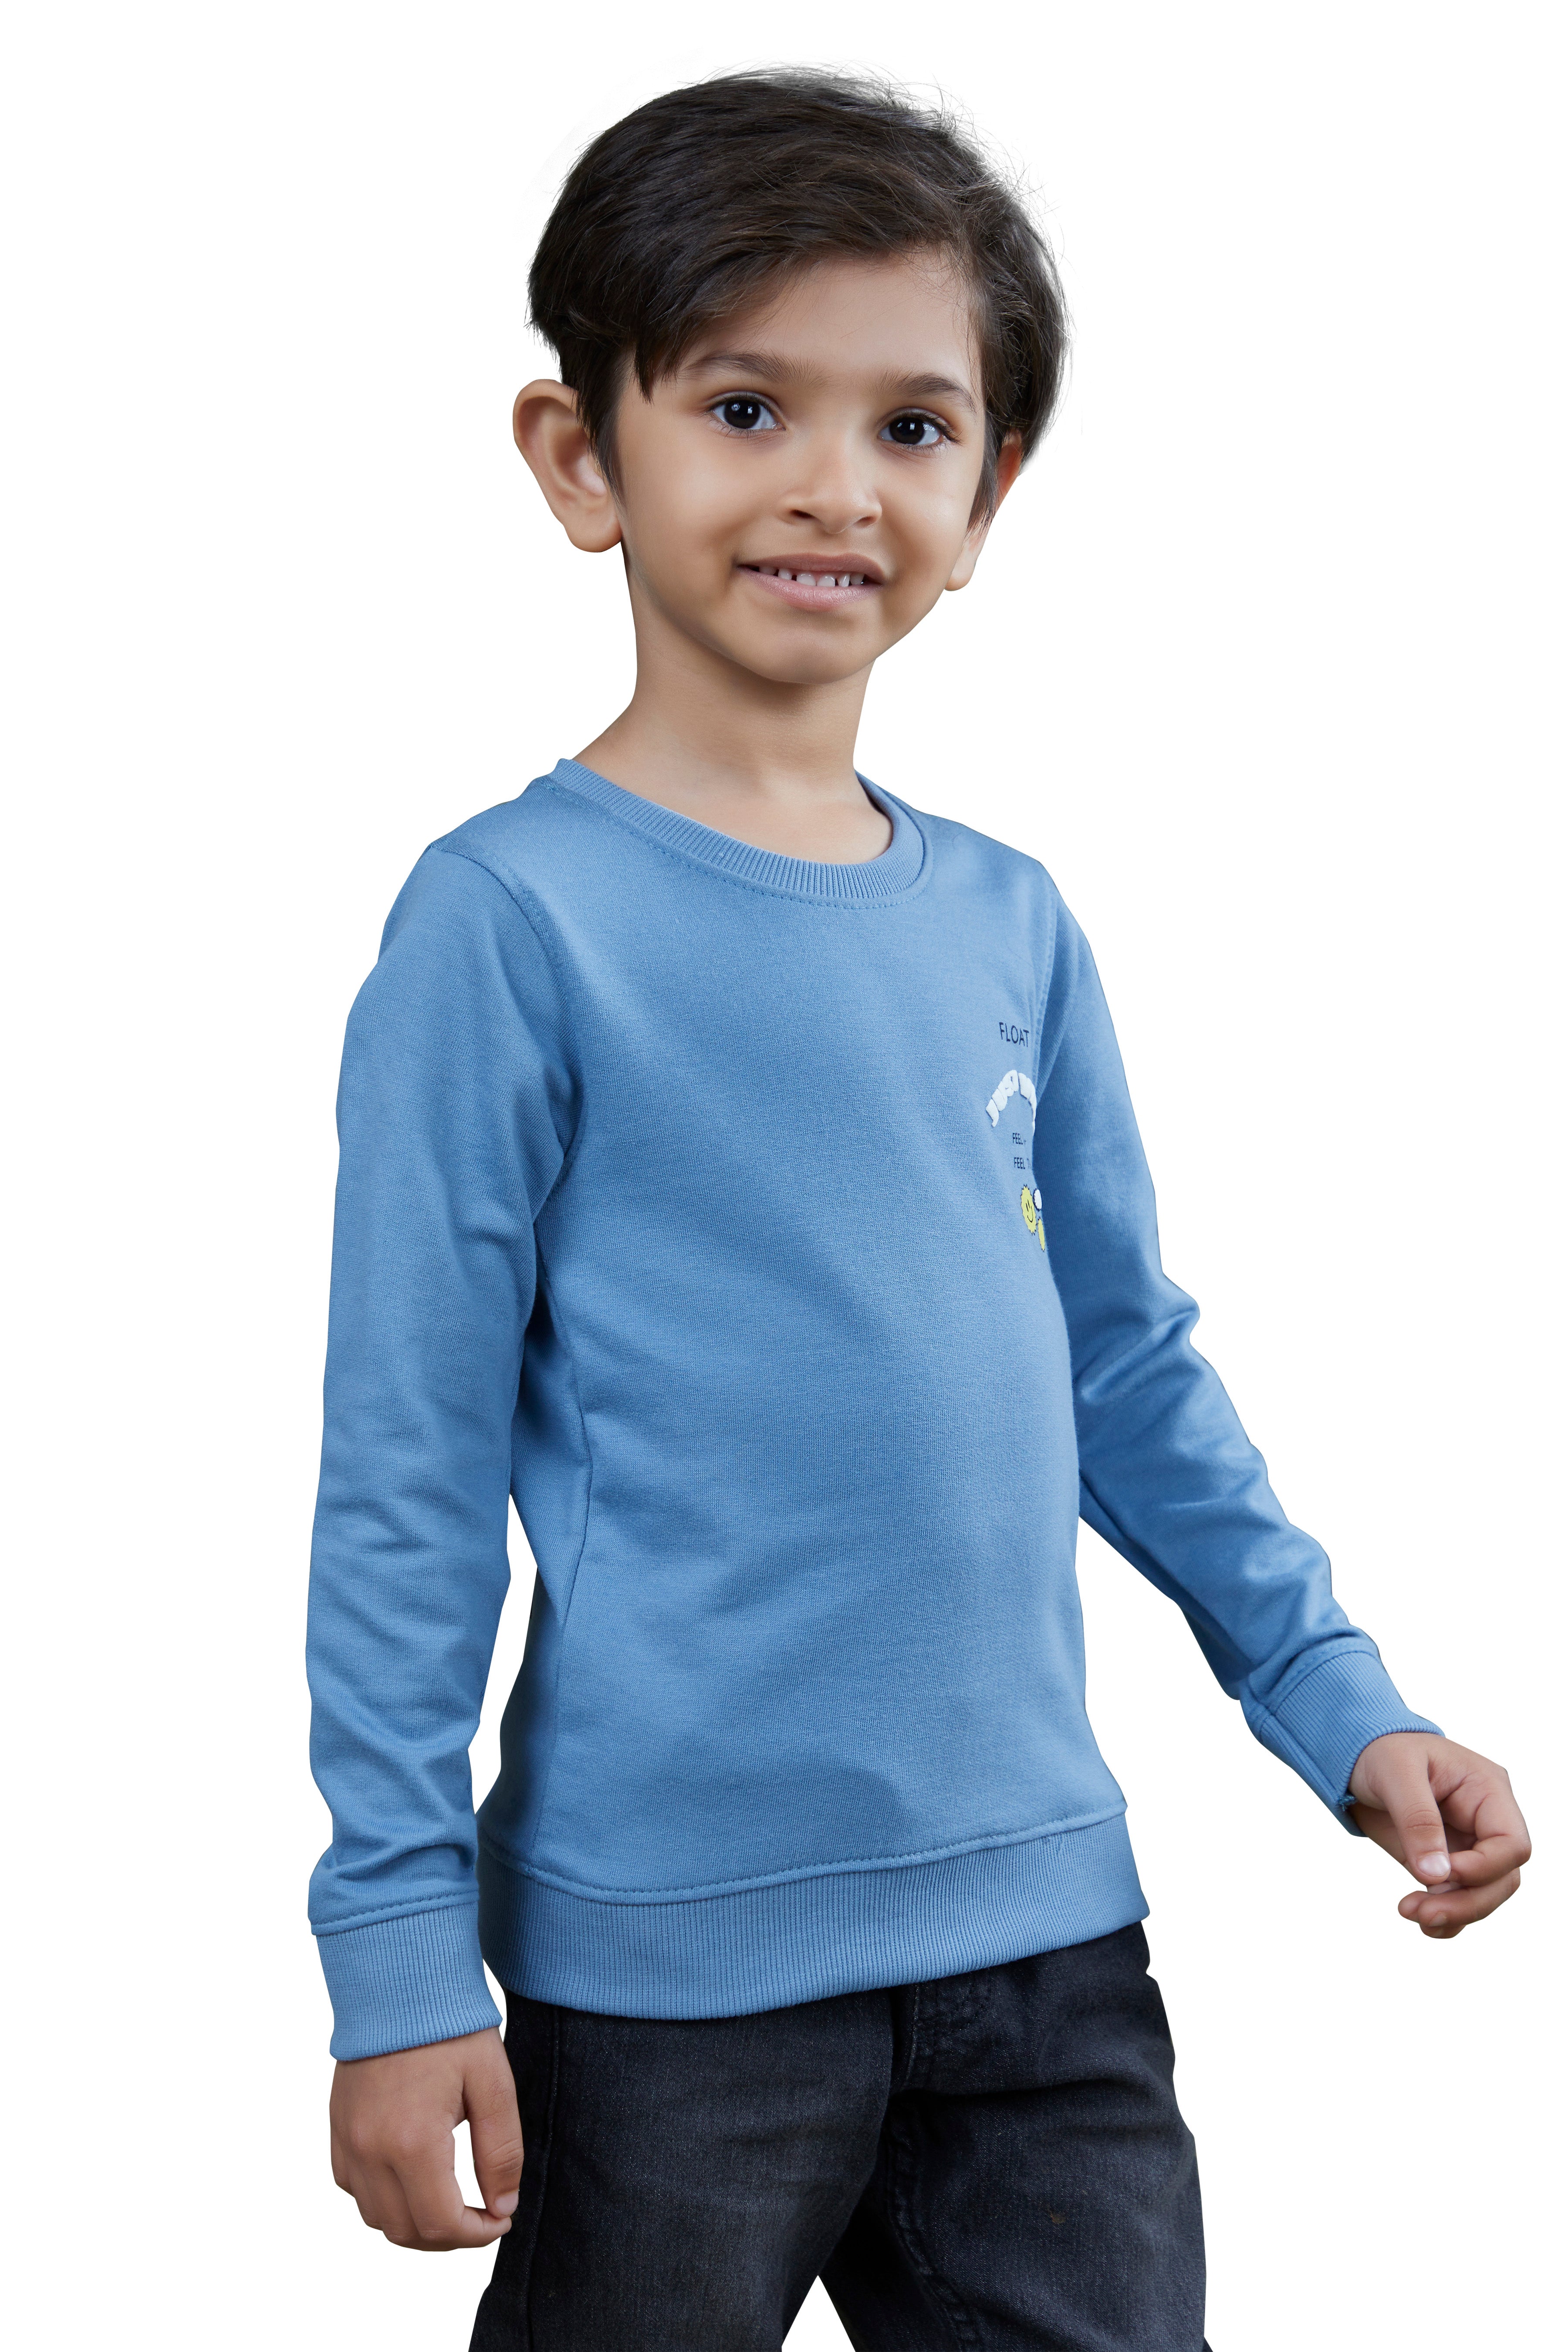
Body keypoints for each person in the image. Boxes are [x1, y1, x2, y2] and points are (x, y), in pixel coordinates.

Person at [307, 70, 1531, 2352]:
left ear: (991, 494)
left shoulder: (1012, 923)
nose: (834, 484)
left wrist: (1341, 1704)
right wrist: (397, 1951)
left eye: (911, 425)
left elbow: (1125, 1368)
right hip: (664, 1980)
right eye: (745, 405)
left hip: (1044, 1955)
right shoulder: (505, 926)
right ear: (580, 457)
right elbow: (408, 1470)